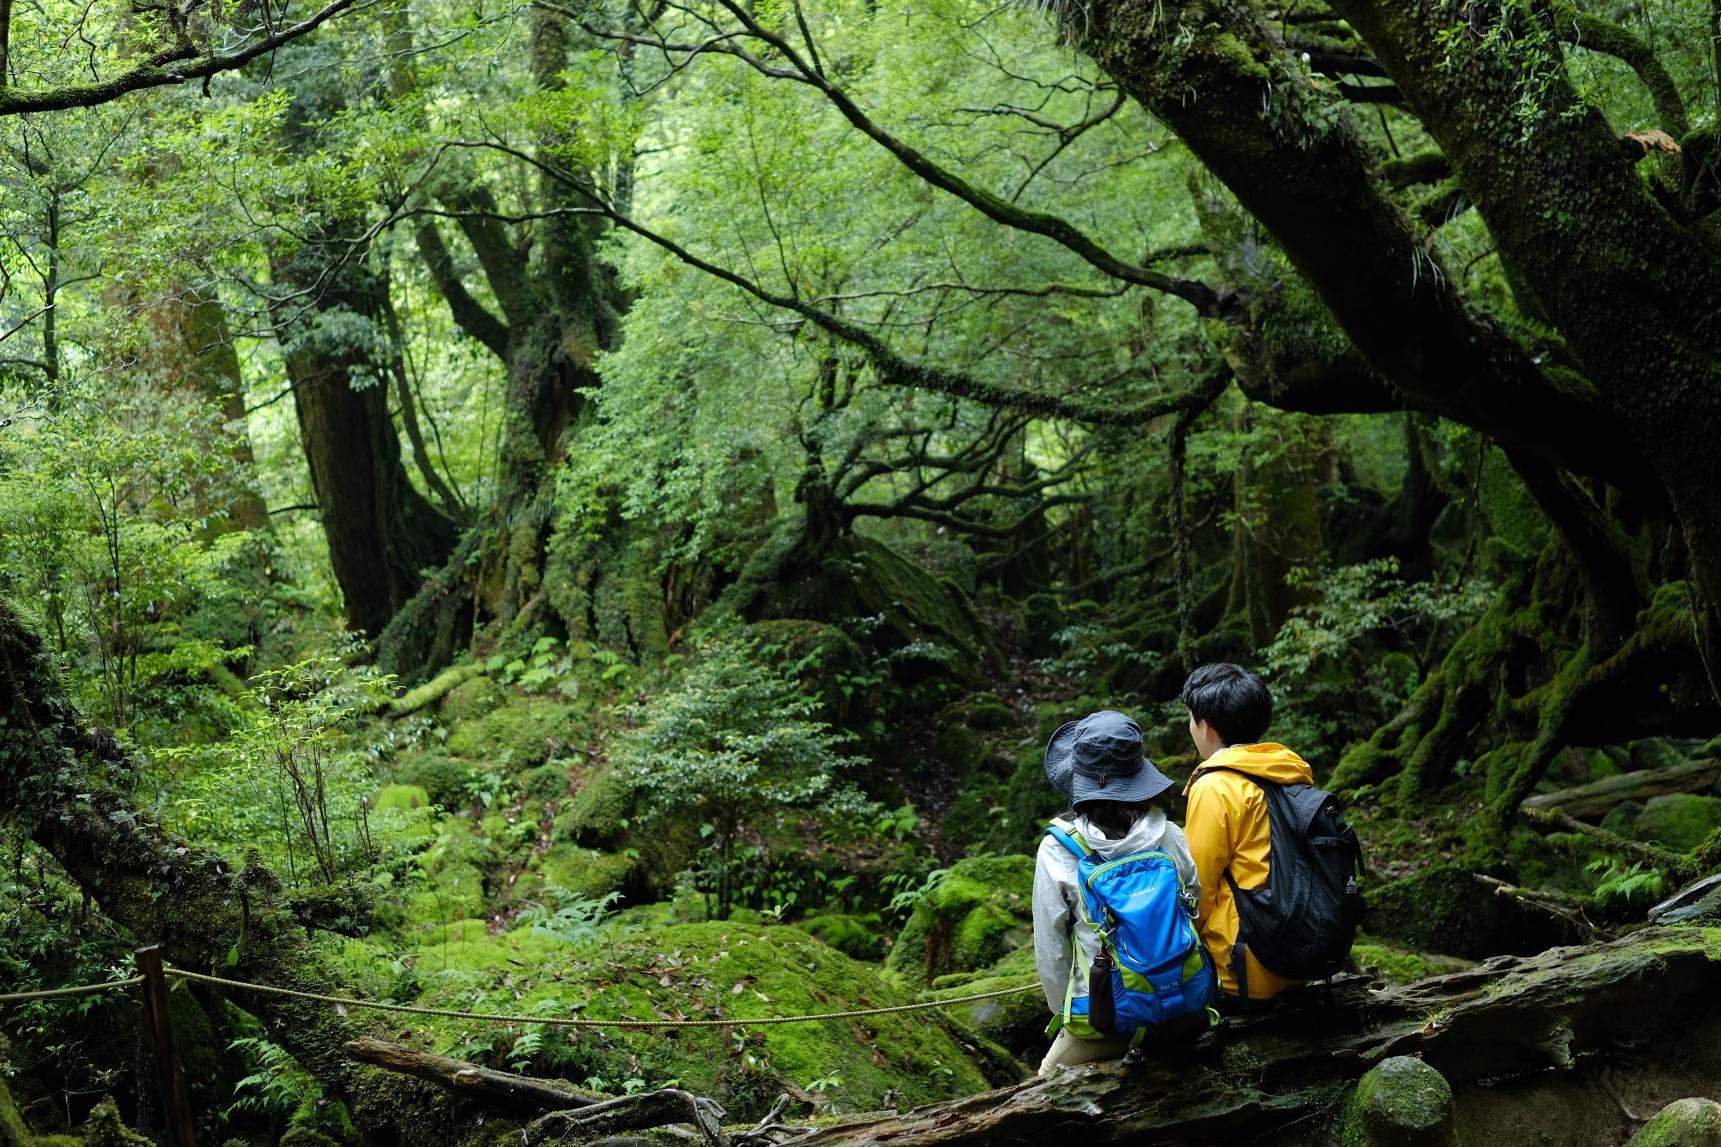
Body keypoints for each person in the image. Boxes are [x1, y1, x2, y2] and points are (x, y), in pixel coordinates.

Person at [1032, 710, 1200, 1074]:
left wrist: (1064, 1012)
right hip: (1183, 1008)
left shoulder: (1058, 850)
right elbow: (1195, 906)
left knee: (1043, 1083)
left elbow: (1051, 952)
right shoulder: (1169, 835)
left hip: (1103, 1020)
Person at [1180, 662, 1315, 1009]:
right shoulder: (1289, 772)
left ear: (1206, 727)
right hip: (1305, 952)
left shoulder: (1215, 786)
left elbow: (1197, 888)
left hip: (1245, 971)